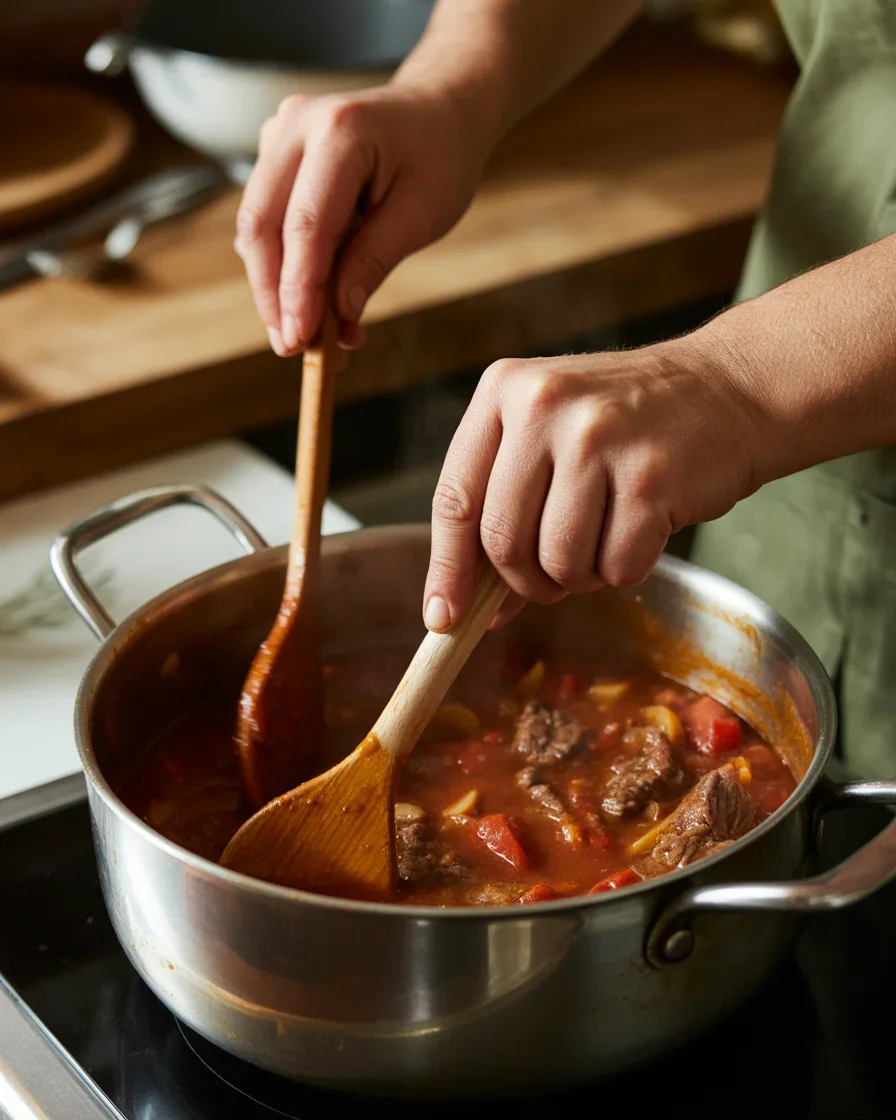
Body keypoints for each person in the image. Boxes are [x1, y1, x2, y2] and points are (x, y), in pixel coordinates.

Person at [235, 0, 896, 780]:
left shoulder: (732, 390)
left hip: (770, 378)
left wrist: (731, 382)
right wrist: (451, 86)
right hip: (796, 466)